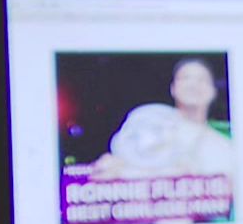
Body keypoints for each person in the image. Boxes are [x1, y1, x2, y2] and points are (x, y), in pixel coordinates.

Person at [91, 57, 234, 179]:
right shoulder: (148, 127)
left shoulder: (223, 144)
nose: (193, 85)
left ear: (213, 91)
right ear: (173, 89)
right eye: (185, 78)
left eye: (201, 80)